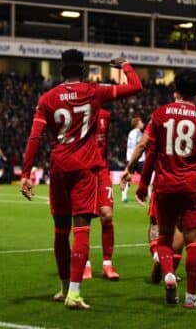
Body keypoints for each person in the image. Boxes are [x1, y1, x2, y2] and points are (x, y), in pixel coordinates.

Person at [19, 50, 142, 310]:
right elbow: (136, 86)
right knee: (82, 229)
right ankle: (74, 293)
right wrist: (124, 66)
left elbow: (34, 138)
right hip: (85, 168)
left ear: (61, 69)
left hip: (60, 167)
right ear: (83, 69)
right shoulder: (94, 91)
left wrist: (25, 173)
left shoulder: (47, 99)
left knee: (60, 232)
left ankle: (64, 288)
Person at [126, 68, 196, 308]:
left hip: (165, 185)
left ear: (175, 89)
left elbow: (152, 152)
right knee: (194, 241)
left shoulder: (159, 114)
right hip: (191, 185)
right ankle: (190, 298)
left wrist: (143, 184)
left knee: (164, 236)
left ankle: (168, 274)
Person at [122, 133, 185, 285]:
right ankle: (170, 273)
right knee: (179, 227)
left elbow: (143, 146)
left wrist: (129, 168)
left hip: (163, 180)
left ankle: (158, 255)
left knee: (156, 223)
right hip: (185, 181)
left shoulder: (159, 118)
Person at [83, 107, 120, 281]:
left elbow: (105, 145)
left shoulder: (106, 115)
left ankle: (107, 264)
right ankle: (85, 264)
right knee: (84, 218)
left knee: (107, 215)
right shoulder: (79, 114)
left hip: (101, 170)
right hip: (83, 172)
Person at [120, 116, 145, 202]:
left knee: (130, 177)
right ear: (137, 124)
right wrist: (131, 159)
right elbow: (134, 147)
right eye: (141, 122)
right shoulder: (136, 133)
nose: (143, 124)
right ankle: (124, 196)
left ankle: (144, 195)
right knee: (129, 177)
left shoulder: (135, 133)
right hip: (135, 158)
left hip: (137, 158)